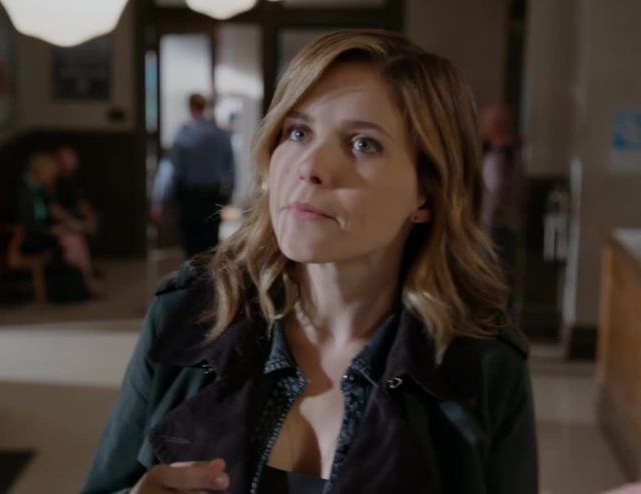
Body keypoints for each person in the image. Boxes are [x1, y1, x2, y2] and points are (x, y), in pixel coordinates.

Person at [83, 30, 537, 493]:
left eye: (363, 144)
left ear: (426, 193)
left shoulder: (484, 365)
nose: (310, 166)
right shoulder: (190, 313)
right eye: (298, 132)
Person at [150, 93, 235, 259]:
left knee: (190, 247)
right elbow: (231, 170)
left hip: (189, 197)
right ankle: (207, 275)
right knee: (210, 245)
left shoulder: (183, 136)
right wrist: (229, 194)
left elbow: (169, 170)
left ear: (190, 108)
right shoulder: (220, 136)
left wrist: (159, 199)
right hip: (212, 195)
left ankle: (192, 274)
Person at [16, 153, 99, 297]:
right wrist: (52, 230)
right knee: (71, 241)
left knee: (75, 238)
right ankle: (80, 285)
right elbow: (27, 224)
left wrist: (69, 224)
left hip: (43, 232)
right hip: (26, 237)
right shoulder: (24, 192)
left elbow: (52, 209)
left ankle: (83, 283)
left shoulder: (39, 190)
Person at [480, 103, 523, 298]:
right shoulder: (505, 152)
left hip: (498, 225)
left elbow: (498, 189)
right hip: (502, 224)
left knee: (494, 277)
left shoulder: (503, 155)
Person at [56, 146, 98, 236]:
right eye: (62, 158)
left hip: (76, 223)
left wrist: (89, 217)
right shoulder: (54, 181)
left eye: (69, 158)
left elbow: (82, 203)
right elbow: (52, 207)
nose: (65, 162)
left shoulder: (76, 180)